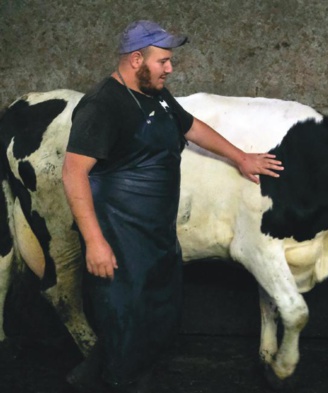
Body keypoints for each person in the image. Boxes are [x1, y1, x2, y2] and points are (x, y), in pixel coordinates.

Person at [61, 20, 282, 393]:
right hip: (118, 235)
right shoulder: (103, 105)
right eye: (163, 61)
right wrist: (95, 241)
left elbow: (191, 126)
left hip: (155, 232)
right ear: (136, 60)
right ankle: (121, 380)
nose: (170, 68)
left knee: (155, 314)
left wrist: (241, 157)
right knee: (124, 316)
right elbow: (72, 173)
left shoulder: (157, 96)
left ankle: (97, 374)